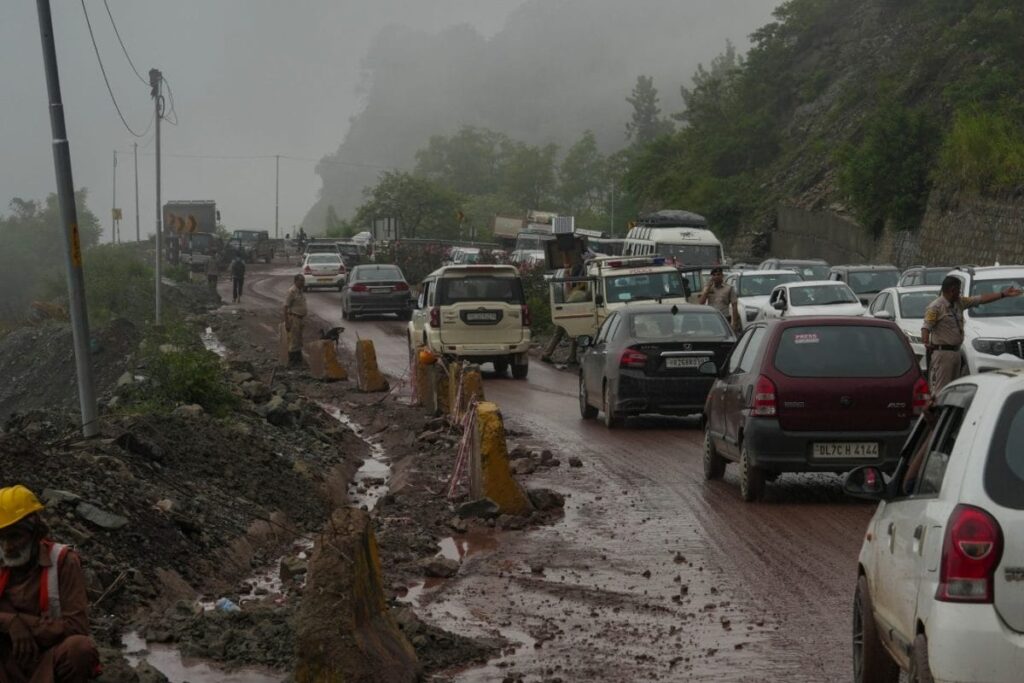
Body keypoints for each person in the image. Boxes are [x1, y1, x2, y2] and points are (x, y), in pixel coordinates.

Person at [0, 485, 100, 683]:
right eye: (1, 538)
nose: (7, 547)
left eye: (15, 536)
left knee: (80, 649)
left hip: (48, 656)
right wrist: (10, 623)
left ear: (36, 534)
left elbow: (76, 627)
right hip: (5, 658)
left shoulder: (63, 561)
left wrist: (23, 625)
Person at [922, 276, 1021, 394]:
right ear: (952, 290)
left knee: (952, 390)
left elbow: (980, 299)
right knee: (940, 390)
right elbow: (926, 327)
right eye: (958, 290)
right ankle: (937, 406)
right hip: (943, 354)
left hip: (956, 353)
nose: (959, 293)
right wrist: (926, 341)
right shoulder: (936, 307)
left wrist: (1002, 294)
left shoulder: (959, 302)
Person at [699, 267, 740, 333]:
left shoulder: (729, 288)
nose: (716, 277)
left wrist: (734, 323)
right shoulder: (708, 288)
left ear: (722, 276)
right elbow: (701, 303)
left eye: (718, 274)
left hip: (724, 318)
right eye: (714, 275)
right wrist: (707, 290)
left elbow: (734, 306)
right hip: (711, 319)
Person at [284, 274, 308, 367]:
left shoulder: (300, 291)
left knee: (299, 339)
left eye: (303, 281)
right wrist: (287, 322)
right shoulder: (292, 291)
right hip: (294, 318)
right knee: (294, 340)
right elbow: (285, 307)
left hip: (300, 318)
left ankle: (298, 361)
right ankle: (292, 361)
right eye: (301, 281)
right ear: (296, 281)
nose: (303, 283)